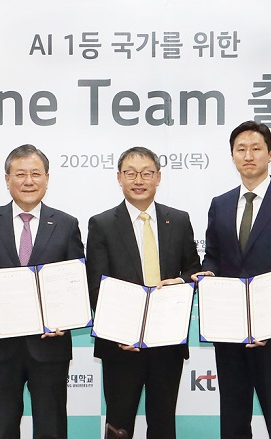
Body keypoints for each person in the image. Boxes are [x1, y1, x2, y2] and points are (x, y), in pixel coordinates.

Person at [194, 120, 271, 439]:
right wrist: (208, 274)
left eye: (256, 148)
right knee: (233, 419)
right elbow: (214, 257)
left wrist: (270, 320)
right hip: (229, 331)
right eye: (241, 149)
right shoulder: (220, 204)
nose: (248, 155)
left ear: (270, 154)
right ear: (232, 156)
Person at [0, 144, 84, 439]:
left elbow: (76, 280)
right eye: (20, 174)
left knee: (51, 428)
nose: (29, 181)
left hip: (49, 345)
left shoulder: (66, 224)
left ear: (47, 178)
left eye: (36, 174)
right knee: (1, 428)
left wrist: (66, 318)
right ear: (7, 179)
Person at [86, 146, 201, 439]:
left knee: (163, 425)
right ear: (119, 178)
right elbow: (96, 286)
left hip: (167, 342)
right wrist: (120, 331)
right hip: (121, 346)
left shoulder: (179, 220)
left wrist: (181, 282)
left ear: (158, 177)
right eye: (131, 173)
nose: (139, 180)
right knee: (119, 426)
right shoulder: (101, 224)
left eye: (147, 173)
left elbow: (193, 269)